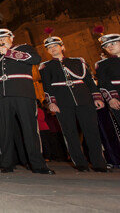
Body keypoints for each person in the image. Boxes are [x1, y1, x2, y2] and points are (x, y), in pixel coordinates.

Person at [0, 21, 54, 174]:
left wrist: (7, 52)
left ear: (11, 38)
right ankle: (5, 163)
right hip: (1, 95)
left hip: (23, 92)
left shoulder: (23, 48)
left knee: (30, 129)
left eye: (3, 38)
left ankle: (38, 164)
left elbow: (35, 59)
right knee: (4, 130)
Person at [39, 31, 108, 172]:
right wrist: (51, 102)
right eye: (49, 47)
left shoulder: (78, 62)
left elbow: (89, 81)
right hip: (63, 102)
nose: (53, 49)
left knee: (92, 131)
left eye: (55, 46)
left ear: (62, 47)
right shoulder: (45, 67)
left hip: (84, 99)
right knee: (70, 133)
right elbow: (46, 86)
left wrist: (96, 98)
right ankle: (80, 163)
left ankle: (99, 163)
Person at [95, 29, 120, 125]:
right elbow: (103, 84)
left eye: (113, 43)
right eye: (106, 46)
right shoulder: (102, 65)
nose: (109, 47)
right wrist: (111, 99)